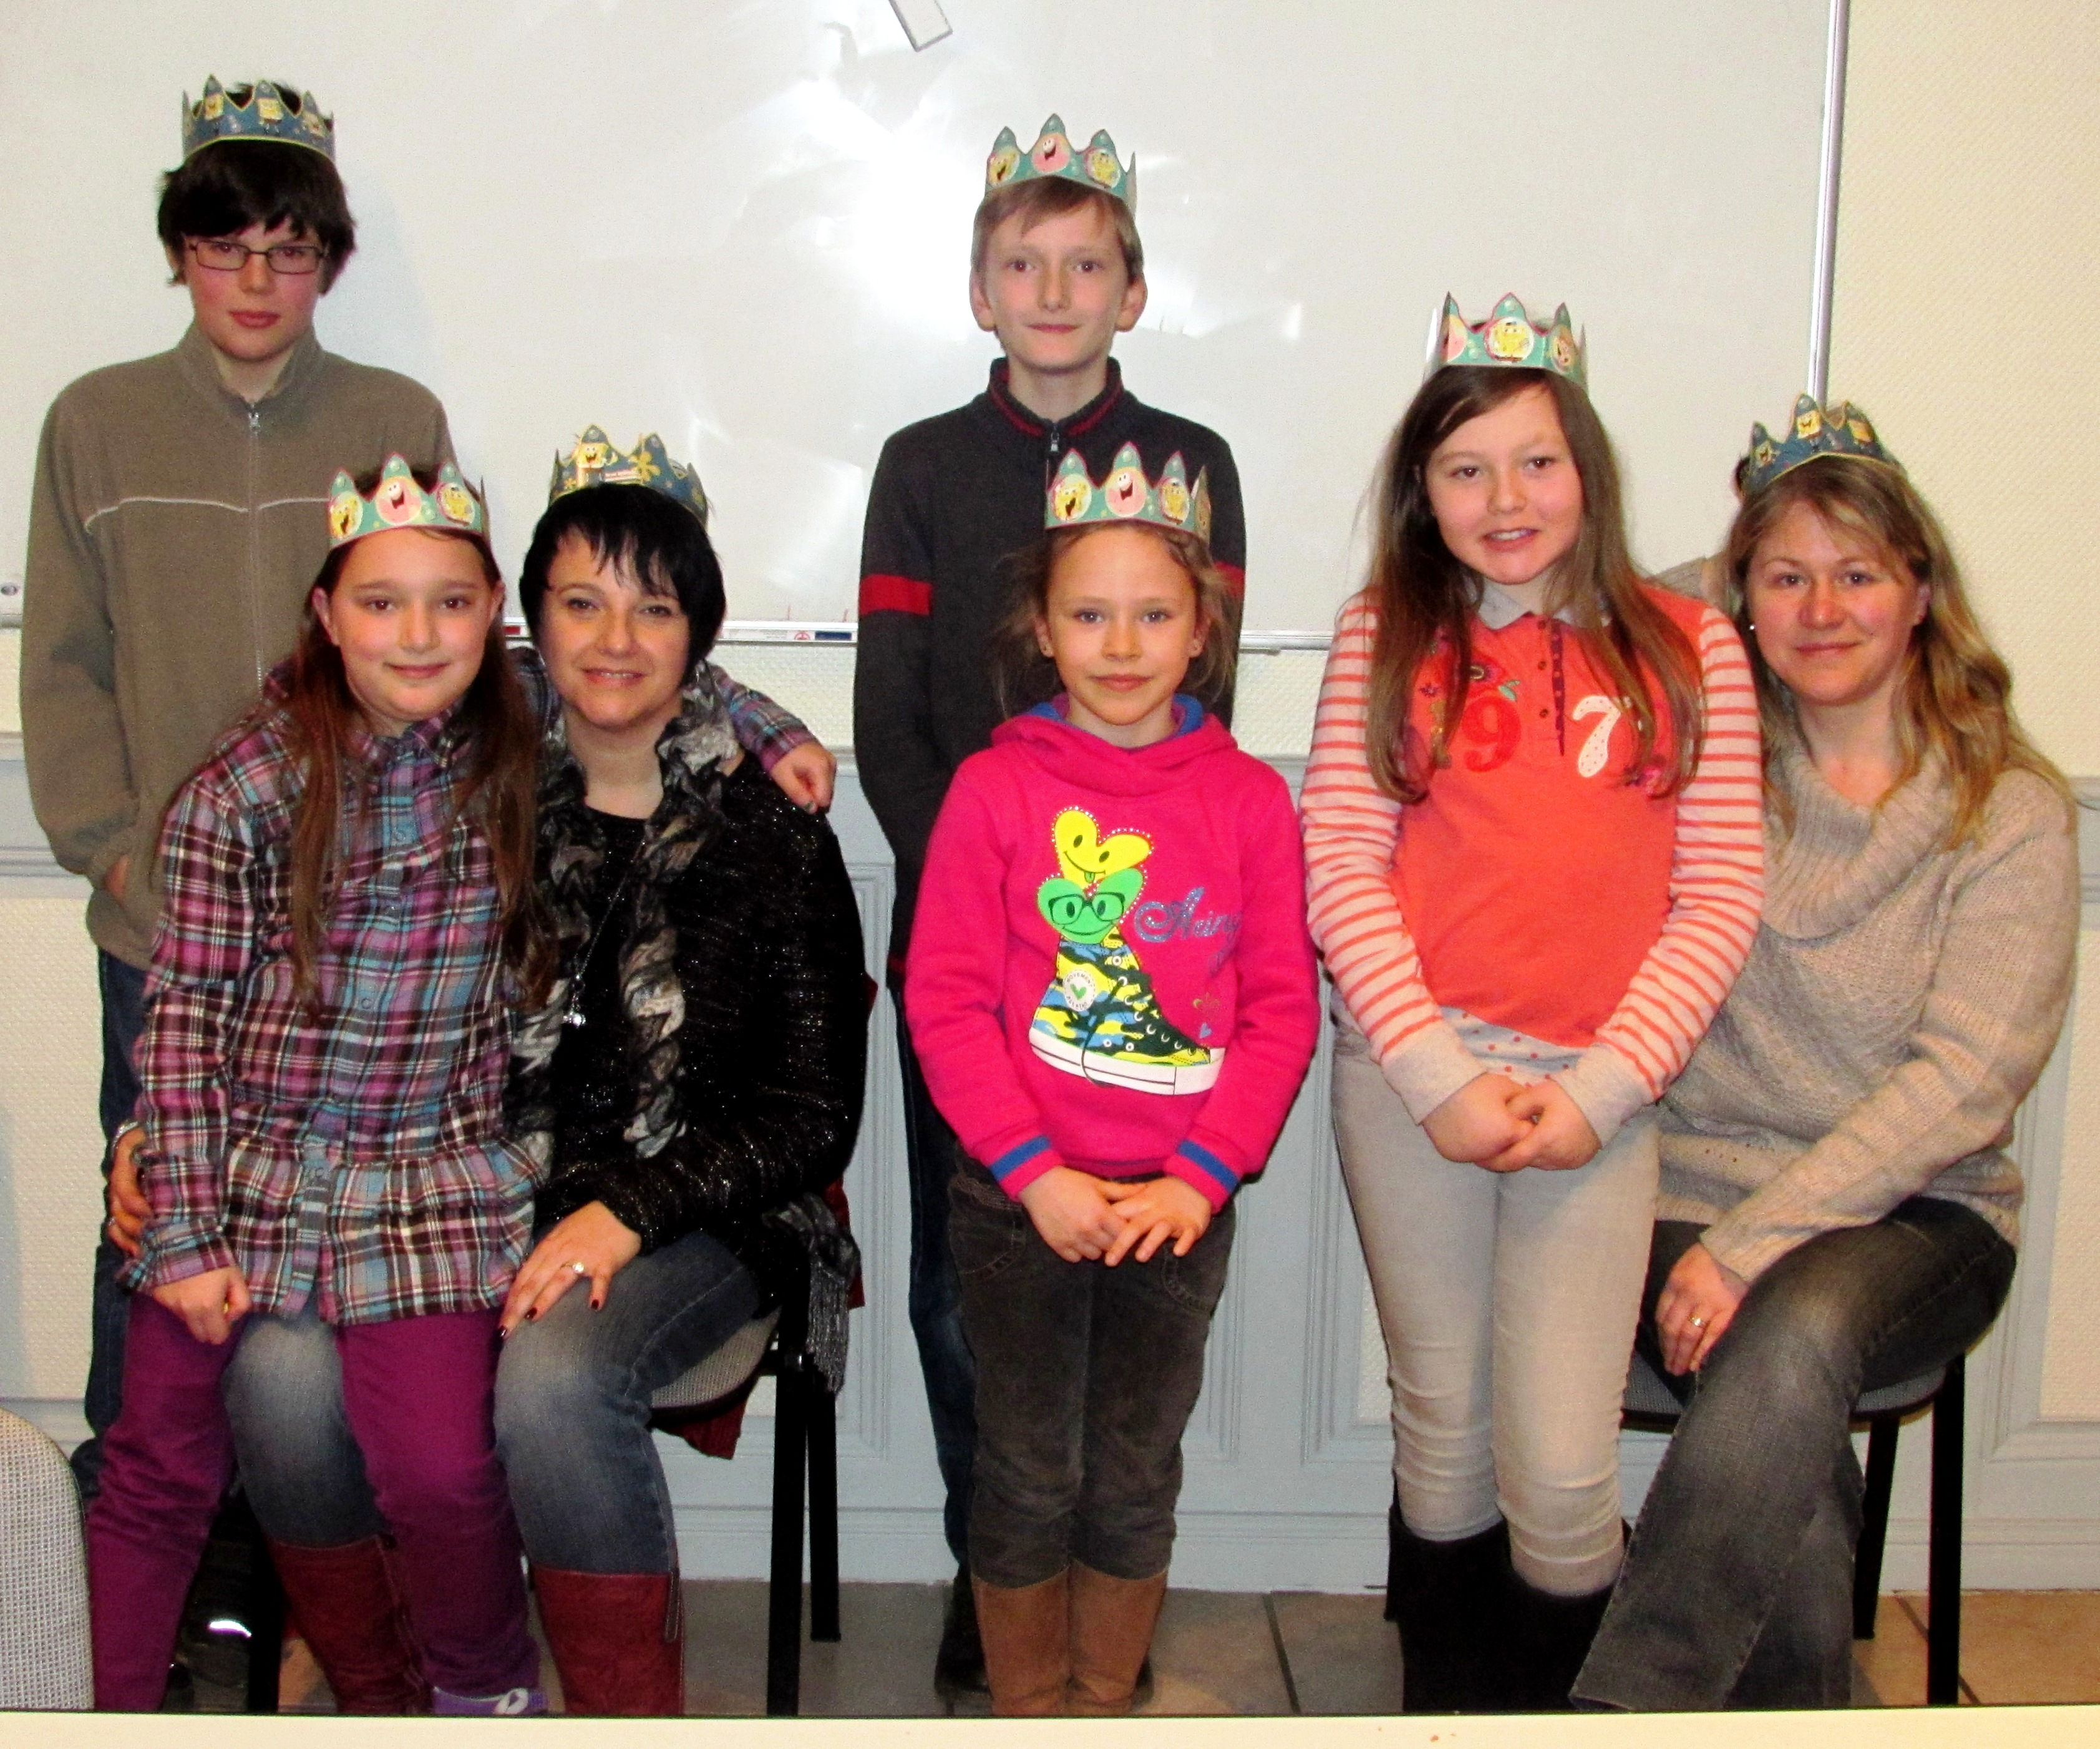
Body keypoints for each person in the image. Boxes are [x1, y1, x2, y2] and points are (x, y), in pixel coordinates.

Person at [25, 79, 834, 1503]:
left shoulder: (395, 419)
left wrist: (757, 717)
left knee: (308, 1332)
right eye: (224, 249)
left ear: (330, 261)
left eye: (290, 250)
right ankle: (133, 1538)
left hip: (366, 933)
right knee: (155, 1232)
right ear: (179, 254)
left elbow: (524, 650)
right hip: (167, 922)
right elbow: (63, 667)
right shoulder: (96, 422)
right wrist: (116, 856)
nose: (257, 280)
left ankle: (296, 1556)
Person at [1572, 400, 2079, 1712]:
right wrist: (1754, 545)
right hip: (1683, 1191)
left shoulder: (2007, 813)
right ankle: (1801, 1723)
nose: (1821, 610)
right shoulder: (1710, 765)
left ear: (1922, 592)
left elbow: (1961, 1089)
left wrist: (1754, 1243)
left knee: (1788, 1322)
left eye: (1858, 575)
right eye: (1784, 579)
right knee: (1780, 1386)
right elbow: (1623, 600)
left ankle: (1635, 1708)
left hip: (1920, 1213)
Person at [1300, 296, 1764, 1712]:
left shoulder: (1692, 645)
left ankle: (1562, 1720)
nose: (1505, 500)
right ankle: (1446, 1713)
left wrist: (1600, 1093)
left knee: (1561, 1466)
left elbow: (1718, 894)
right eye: (1466, 469)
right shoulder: (1382, 637)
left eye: (1537, 462)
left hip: (1595, 1100)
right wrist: (1438, 1077)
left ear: (1588, 470)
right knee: (1442, 1429)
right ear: (1422, 490)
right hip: (1413, 1087)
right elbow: (1343, 862)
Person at [852, 115, 1247, 1691]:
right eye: (1025, 263)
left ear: (1133, 291)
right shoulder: (921, 466)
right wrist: (993, 906)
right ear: (980, 289)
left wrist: (1108, 928)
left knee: (1134, 1331)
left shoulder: (1196, 464)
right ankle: (993, 1560)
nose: (1057, 290)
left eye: (1089, 265)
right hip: (973, 966)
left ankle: (1099, 1587)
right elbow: (892, 724)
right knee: (970, 1292)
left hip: (1145, 966)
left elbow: (1206, 714)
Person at [86, 460, 552, 1715]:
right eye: (382, 603)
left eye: (451, 603)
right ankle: (102, 1715)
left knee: (442, 1471)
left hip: (426, 1182)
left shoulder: (521, 740)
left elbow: (659, 681)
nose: (419, 634)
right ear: (327, 616)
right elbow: (183, 1024)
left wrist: (773, 730)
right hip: (245, 1172)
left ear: (493, 613)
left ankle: (480, 1694)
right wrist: (185, 1234)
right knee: (157, 1469)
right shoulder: (243, 787)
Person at [905, 445, 1318, 1715]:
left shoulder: (1250, 802)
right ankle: (1030, 1709)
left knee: (1136, 1470)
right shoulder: (994, 788)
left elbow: (1279, 1014)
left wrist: (1201, 1178)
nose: (1122, 645)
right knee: (1027, 1468)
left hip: (1175, 1209)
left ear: (1202, 632)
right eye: (1090, 615)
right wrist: (1034, 1173)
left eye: (1154, 615)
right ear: (1042, 629)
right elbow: (946, 1002)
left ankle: (1103, 1700)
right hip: (1017, 1204)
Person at [491, 435, 867, 1715]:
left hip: (710, 1217)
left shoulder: (771, 829)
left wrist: (631, 1209)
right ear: (530, 623)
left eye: (653, 608)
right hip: (482, 1189)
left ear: (699, 634)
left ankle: (627, 1722)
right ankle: (447, 1687)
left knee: (552, 1378)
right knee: (302, 1371)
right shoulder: (467, 804)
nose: (615, 639)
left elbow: (812, 1114)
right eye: (581, 602)